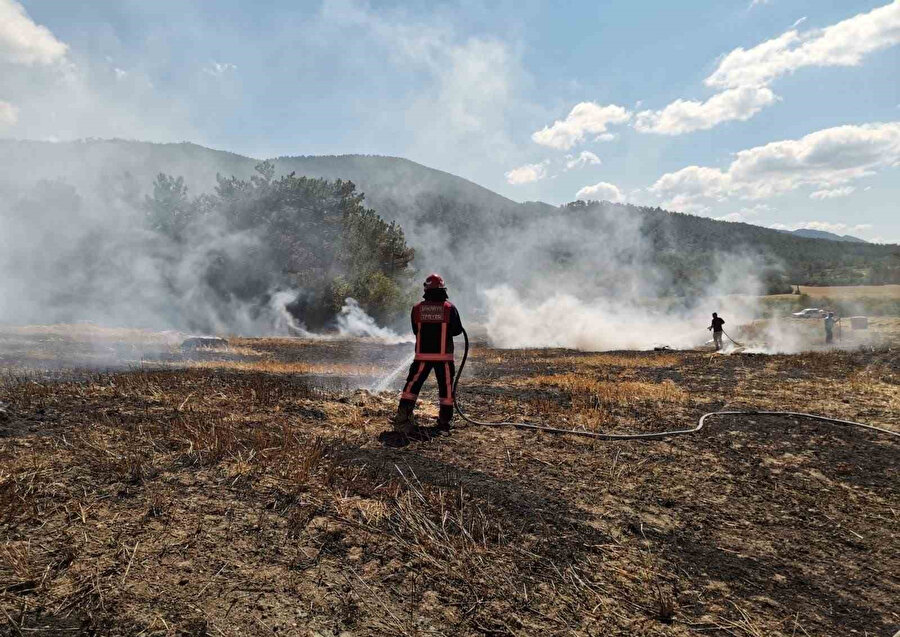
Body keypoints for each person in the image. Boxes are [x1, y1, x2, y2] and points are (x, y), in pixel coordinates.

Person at [392, 274, 464, 435]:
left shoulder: (417, 308)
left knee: (412, 386)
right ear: (443, 289)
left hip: (422, 357)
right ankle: (444, 422)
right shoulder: (449, 308)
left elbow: (415, 330)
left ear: (426, 290)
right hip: (444, 358)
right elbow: (457, 330)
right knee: (445, 390)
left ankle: (403, 416)